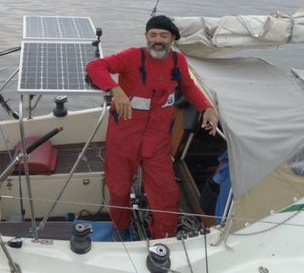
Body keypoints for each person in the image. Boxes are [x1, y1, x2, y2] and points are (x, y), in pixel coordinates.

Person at [85, 15, 219, 239]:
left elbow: (188, 86)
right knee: (118, 191)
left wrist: (207, 107)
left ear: (172, 39)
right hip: (123, 139)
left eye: (163, 36)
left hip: (156, 142)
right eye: (153, 35)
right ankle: (121, 230)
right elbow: (94, 66)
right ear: (146, 37)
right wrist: (115, 90)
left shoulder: (178, 62)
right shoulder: (131, 56)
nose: (158, 40)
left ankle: (162, 238)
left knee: (166, 194)